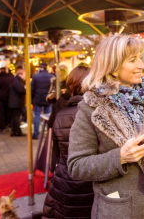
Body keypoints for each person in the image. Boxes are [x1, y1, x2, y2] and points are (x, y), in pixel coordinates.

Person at [67, 34, 144, 219]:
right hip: (118, 209)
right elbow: (76, 166)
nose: (142, 66)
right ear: (112, 66)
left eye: (141, 58)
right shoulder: (91, 106)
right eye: (133, 60)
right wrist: (119, 157)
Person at [42, 65, 94, 219]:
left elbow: (55, 155)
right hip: (91, 178)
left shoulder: (61, 115)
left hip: (67, 178)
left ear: (71, 86)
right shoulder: (98, 114)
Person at [31, 62, 54, 139]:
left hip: (38, 98)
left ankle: (36, 134)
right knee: (49, 116)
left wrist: (32, 98)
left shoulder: (35, 76)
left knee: (37, 115)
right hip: (48, 99)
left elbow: (32, 89)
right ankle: (49, 134)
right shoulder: (51, 76)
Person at [8, 68, 26, 137]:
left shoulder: (16, 80)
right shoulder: (16, 81)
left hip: (14, 102)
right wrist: (25, 89)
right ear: (20, 74)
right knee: (16, 117)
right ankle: (17, 131)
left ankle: (14, 131)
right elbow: (21, 90)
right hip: (15, 102)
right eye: (24, 74)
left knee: (14, 117)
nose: (25, 76)